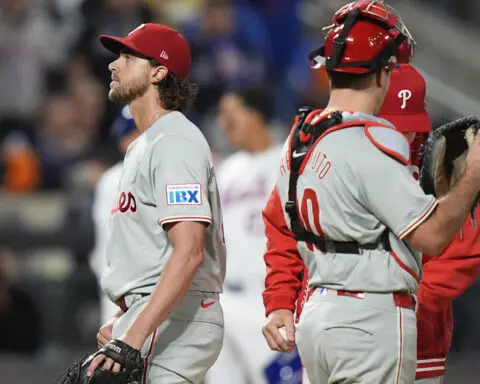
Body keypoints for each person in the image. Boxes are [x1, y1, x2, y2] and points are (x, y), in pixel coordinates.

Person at [260, 2, 480, 383]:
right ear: (381, 77)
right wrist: (473, 175)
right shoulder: (370, 147)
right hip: (371, 318)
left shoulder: (303, 138)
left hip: (332, 316)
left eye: (417, 127)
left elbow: (460, 254)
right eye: (400, 124)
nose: (410, 136)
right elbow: (432, 236)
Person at [88, 23, 227, 383]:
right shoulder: (147, 143)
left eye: (128, 57)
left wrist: (134, 336)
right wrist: (127, 318)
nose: (113, 65)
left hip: (177, 319)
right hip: (158, 314)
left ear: (159, 71)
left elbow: (190, 251)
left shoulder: (174, 141)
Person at [207, 87, 302, 384]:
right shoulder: (226, 171)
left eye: (230, 114)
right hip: (225, 300)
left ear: (256, 115)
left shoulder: (289, 163)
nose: (223, 124)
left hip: (270, 301)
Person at [89, 105, 140, 326]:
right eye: (130, 134)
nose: (135, 139)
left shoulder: (168, 169)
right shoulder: (112, 180)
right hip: (120, 287)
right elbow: (105, 243)